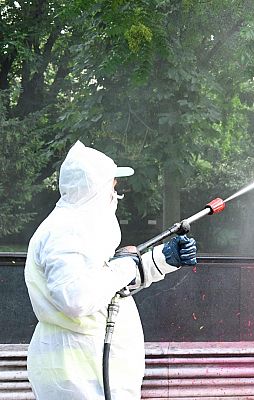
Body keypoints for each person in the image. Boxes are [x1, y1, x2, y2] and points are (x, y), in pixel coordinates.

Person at [24, 141, 198, 399]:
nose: (115, 193)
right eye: (112, 186)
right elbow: (76, 298)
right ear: (95, 189)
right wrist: (126, 265)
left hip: (92, 371)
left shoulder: (82, 228)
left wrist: (162, 259)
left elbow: (106, 287)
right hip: (76, 378)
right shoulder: (64, 232)